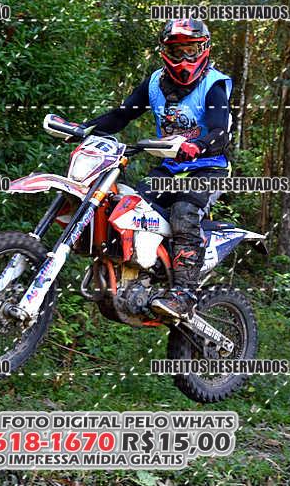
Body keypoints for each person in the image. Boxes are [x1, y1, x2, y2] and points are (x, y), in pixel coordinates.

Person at [83, 18, 233, 320]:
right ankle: (140, 275)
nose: (184, 58)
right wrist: (84, 129)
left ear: (204, 49)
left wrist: (199, 145)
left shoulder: (214, 84)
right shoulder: (154, 84)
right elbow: (121, 115)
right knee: (129, 208)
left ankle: (184, 294)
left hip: (208, 168)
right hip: (170, 169)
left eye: (191, 50)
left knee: (184, 212)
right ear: (165, 52)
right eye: (177, 51)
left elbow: (221, 132)